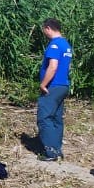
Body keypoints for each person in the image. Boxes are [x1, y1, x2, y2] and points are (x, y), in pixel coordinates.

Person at [36, 18, 73, 161]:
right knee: (56, 118)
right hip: (63, 85)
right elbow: (68, 66)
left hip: (53, 86)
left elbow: (53, 66)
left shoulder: (55, 45)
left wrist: (43, 84)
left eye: (44, 30)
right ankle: (57, 149)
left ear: (48, 28)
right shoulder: (66, 45)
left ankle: (50, 152)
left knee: (44, 118)